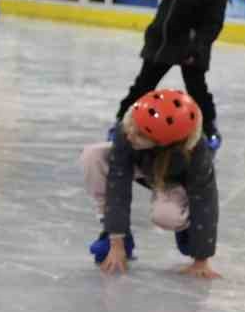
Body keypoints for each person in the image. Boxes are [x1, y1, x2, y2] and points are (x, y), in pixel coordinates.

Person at [106, 0, 230, 150]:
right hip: (161, 44)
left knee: (197, 90)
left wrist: (197, 46)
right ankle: (122, 123)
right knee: (142, 86)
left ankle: (210, 127)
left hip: (192, 48)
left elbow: (212, 25)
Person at [82, 89, 218, 279]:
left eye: (139, 135)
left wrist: (201, 259)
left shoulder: (196, 152)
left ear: (163, 142)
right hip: (142, 165)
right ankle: (116, 233)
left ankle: (184, 224)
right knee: (93, 156)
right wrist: (116, 241)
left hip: (173, 180)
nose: (130, 135)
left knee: (167, 216)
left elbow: (205, 201)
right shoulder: (129, 128)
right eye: (131, 127)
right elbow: (117, 185)